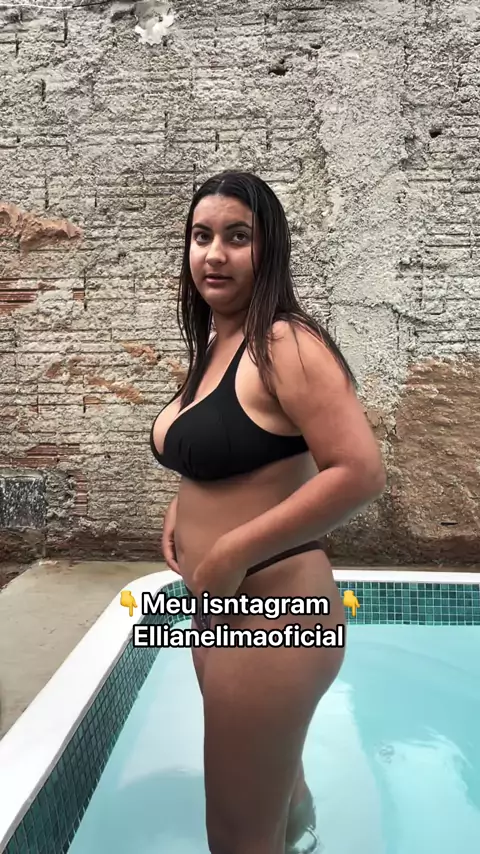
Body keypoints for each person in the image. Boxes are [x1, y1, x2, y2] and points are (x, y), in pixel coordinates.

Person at [150, 170, 386, 854]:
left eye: (237, 237)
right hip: (220, 609)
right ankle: (302, 833)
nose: (214, 254)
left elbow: (359, 472)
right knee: (272, 792)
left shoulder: (285, 342)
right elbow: (236, 453)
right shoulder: (216, 345)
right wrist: (184, 507)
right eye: (201, 236)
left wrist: (232, 549)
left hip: (275, 616)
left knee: (235, 837)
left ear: (269, 249)